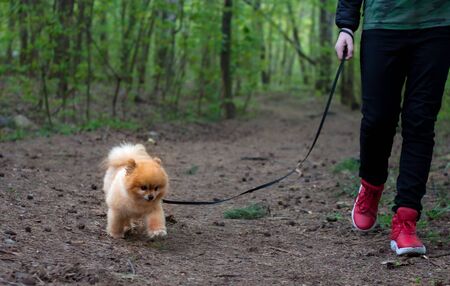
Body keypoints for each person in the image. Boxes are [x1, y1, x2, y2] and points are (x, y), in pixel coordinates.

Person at [334, 0, 450, 255]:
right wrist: (346, 26)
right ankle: (372, 186)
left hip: (438, 26)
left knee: (420, 122)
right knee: (377, 120)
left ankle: (406, 219)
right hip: (382, 26)